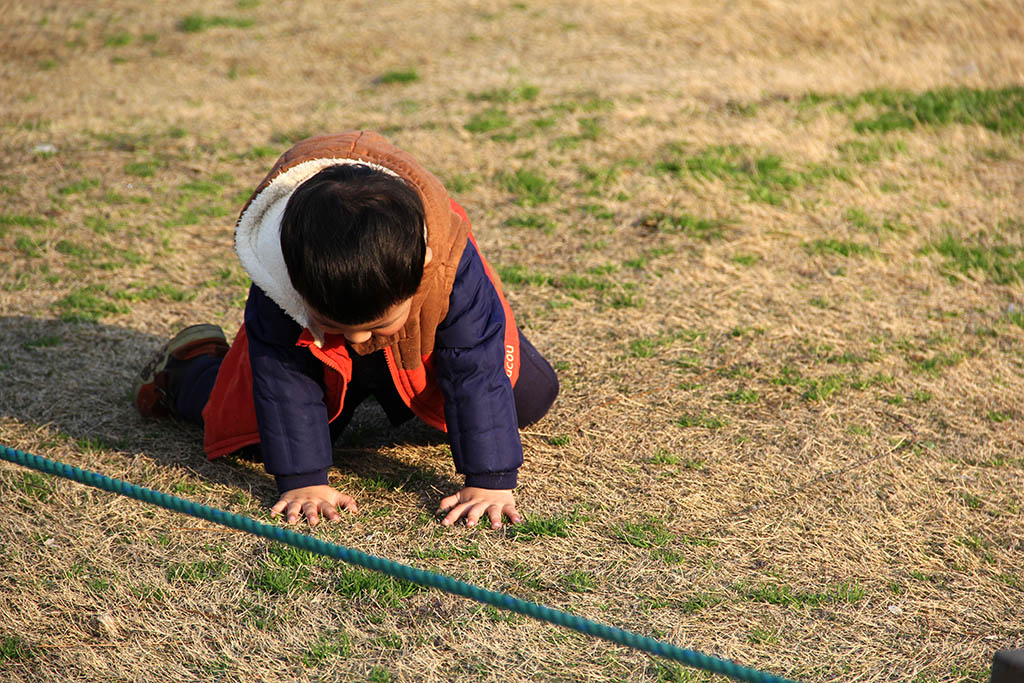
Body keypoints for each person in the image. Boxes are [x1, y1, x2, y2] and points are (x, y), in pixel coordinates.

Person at [133, 131, 558, 529]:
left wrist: (490, 478)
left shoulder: (449, 261)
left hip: (419, 353)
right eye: (337, 325)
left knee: (526, 396)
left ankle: (397, 385)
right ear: (296, 287)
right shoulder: (284, 272)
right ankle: (191, 369)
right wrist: (303, 479)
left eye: (376, 325)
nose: (357, 339)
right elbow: (282, 379)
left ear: (422, 265)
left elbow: (475, 367)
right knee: (252, 433)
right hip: (321, 365)